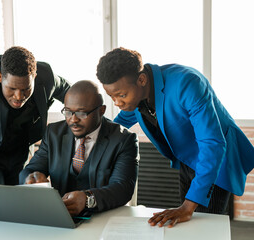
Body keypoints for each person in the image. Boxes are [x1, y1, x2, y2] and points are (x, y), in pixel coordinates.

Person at [96, 47, 254, 227]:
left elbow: (213, 144)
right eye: (112, 97)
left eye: (121, 95)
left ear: (141, 79)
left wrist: (187, 206)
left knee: (204, 228)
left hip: (215, 159)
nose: (117, 103)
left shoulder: (187, 83)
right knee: (185, 224)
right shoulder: (137, 94)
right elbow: (116, 126)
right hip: (186, 159)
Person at [19, 80, 139, 216]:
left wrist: (88, 199)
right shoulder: (53, 132)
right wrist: (31, 178)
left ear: (101, 111)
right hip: (60, 217)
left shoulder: (123, 140)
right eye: (68, 112)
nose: (73, 119)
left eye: (82, 113)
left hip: (103, 218)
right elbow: (30, 169)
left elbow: (122, 189)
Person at [0, 46, 71, 185]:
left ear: (34, 77)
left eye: (26, 89)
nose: (19, 96)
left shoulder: (47, 76)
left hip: (19, 153)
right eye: (12, 88)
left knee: (19, 201)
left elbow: (73, 94)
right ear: (0, 77)